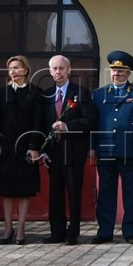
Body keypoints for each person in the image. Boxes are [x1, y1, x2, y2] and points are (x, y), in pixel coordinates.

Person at [89, 51, 133, 244]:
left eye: (120, 71)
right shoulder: (99, 94)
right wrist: (92, 147)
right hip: (106, 151)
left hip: (130, 151)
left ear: (128, 73)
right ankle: (105, 231)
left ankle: (131, 231)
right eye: (114, 70)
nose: (116, 74)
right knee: (106, 194)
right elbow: (93, 123)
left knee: (130, 193)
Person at [0, 55, 45, 244]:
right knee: (5, 190)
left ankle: (21, 229)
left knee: (23, 190)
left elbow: (39, 121)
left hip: (26, 148)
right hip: (5, 149)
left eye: (16, 68)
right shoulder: (3, 92)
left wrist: (34, 146)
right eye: (10, 68)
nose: (12, 71)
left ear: (26, 70)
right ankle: (7, 228)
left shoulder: (35, 92)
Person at [40, 55, 95, 244]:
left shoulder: (81, 92)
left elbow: (90, 120)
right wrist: (43, 150)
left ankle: (73, 232)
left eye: (61, 68)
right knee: (54, 193)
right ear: (50, 72)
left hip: (73, 151)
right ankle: (57, 231)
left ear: (69, 69)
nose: (58, 72)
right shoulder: (45, 94)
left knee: (73, 192)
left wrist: (67, 126)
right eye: (54, 69)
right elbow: (42, 124)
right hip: (53, 153)